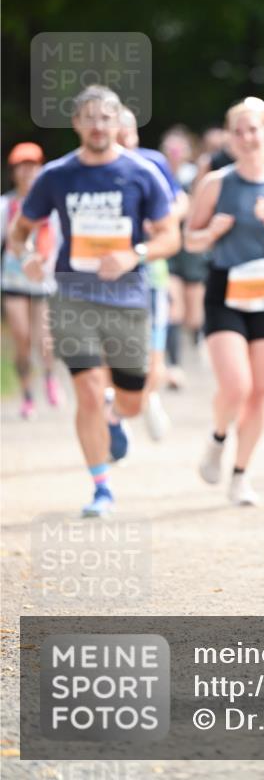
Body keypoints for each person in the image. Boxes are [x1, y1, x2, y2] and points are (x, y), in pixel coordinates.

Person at [9, 85, 179, 517]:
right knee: (86, 389)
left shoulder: (143, 173)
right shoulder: (57, 175)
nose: (99, 126)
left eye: (107, 118)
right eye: (90, 117)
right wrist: (28, 258)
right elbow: (19, 231)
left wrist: (133, 254)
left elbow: (169, 237)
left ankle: (116, 415)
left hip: (127, 298)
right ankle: (101, 487)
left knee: (132, 398)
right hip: (73, 296)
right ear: (77, 123)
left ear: (118, 123)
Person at [185, 98, 264, 505]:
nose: (246, 137)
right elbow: (190, 239)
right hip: (226, 288)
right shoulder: (215, 183)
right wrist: (213, 233)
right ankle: (218, 438)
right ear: (229, 138)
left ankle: (240, 474)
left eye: (253, 129)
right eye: (238, 131)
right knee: (236, 386)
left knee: (259, 392)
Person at [118, 108, 188, 440]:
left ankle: (148, 397)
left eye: (126, 133)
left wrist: (161, 222)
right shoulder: (88, 171)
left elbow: (180, 202)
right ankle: (118, 411)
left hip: (150, 272)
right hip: (105, 279)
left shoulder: (152, 163)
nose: (121, 140)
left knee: (153, 353)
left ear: (135, 134)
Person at [1, 142, 60, 418]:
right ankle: (27, 394)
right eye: (22, 167)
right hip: (13, 280)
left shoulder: (52, 206)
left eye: (32, 166)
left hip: (43, 281)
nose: (27, 172)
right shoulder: (5, 206)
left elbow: (60, 243)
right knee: (21, 339)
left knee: (45, 339)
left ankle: (49, 375)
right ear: (14, 171)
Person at [160, 125, 205, 389]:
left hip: (192, 249)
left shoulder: (195, 175)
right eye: (170, 149)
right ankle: (174, 366)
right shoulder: (157, 174)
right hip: (169, 248)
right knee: (172, 309)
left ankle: (199, 335)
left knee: (193, 316)